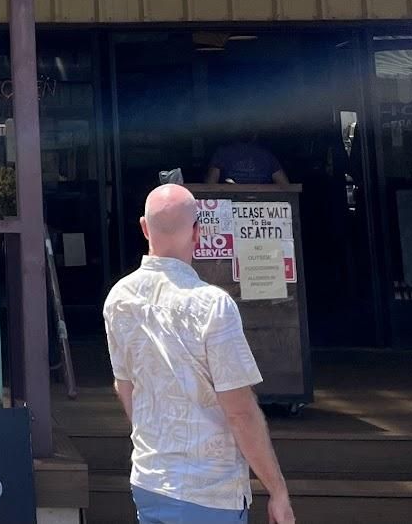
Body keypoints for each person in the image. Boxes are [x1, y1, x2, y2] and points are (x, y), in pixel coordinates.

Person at [103, 183, 296, 524]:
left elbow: (125, 386)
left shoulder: (119, 299)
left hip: (150, 477)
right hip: (209, 487)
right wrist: (277, 489)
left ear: (144, 228)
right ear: (198, 233)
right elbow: (240, 412)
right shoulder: (213, 305)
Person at [206, 131, 291, 187]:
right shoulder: (222, 153)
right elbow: (285, 186)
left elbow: (210, 185)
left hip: (262, 207)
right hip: (229, 207)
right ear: (255, 134)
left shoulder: (267, 156)